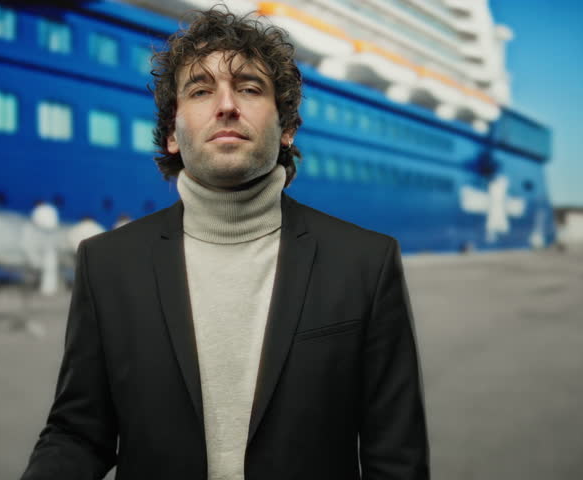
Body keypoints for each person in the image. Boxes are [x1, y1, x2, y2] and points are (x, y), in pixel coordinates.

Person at [21, 8, 428, 479]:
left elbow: (395, 458)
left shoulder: (366, 263)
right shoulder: (106, 264)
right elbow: (78, 432)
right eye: (200, 90)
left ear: (287, 129)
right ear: (172, 134)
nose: (227, 105)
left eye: (250, 88)